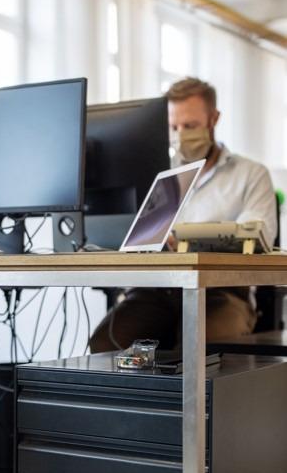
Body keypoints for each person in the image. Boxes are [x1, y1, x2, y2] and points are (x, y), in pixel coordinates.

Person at [89, 76, 277, 352]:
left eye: (190, 126)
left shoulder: (250, 174)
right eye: (174, 127)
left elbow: (258, 236)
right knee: (105, 343)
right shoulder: (157, 172)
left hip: (220, 293)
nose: (180, 135)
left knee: (197, 346)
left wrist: (188, 240)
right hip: (154, 291)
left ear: (214, 119)